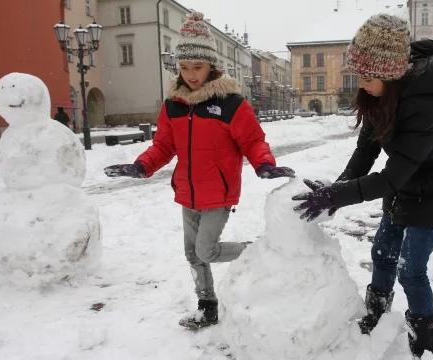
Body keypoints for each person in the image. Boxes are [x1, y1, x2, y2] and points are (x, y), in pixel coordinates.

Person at [292, 14, 433, 359]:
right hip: (404, 188)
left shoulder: (425, 104)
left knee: (411, 270)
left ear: (393, 73)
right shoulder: (379, 95)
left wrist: (339, 197)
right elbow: (367, 149)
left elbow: (390, 176)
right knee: (381, 252)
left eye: (370, 77)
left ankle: (424, 343)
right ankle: (376, 314)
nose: (363, 84)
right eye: (360, 76)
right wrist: (337, 188)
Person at [103, 12, 294, 330]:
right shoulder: (173, 105)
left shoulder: (231, 103)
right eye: (185, 67)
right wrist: (141, 166)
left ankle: (257, 250)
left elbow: (252, 140)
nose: (191, 74)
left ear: (211, 66)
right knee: (192, 254)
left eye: (198, 67)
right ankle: (207, 306)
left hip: (218, 194)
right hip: (187, 194)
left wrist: (264, 164)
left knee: (207, 249)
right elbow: (163, 146)